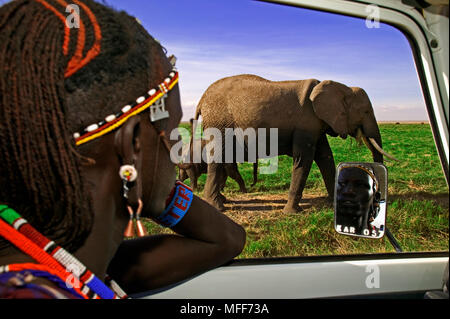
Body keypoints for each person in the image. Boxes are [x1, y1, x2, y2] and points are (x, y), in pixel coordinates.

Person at [0, 0, 245, 299]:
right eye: (170, 135)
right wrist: (140, 179)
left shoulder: (74, 267)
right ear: (132, 147)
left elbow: (228, 240)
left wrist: (142, 178)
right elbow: (225, 240)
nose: (178, 152)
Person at [335, 164, 382, 236]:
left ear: (376, 197)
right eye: (342, 184)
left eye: (360, 185)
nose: (349, 191)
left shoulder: (379, 234)